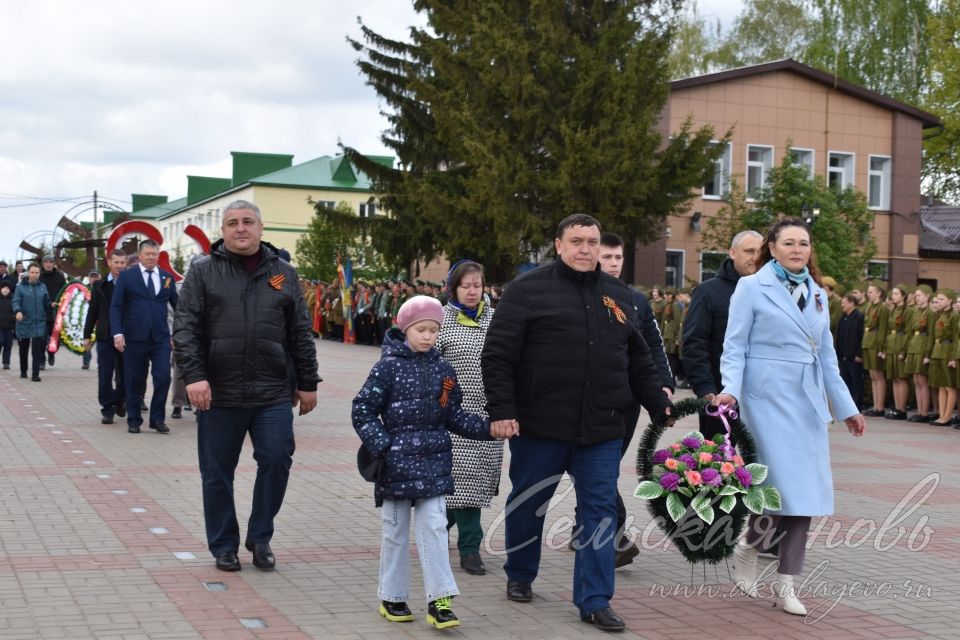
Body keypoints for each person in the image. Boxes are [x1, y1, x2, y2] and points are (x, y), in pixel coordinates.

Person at [481, 214, 672, 633]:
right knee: (530, 502)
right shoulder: (526, 291)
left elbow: (638, 358)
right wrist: (502, 410)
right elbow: (497, 355)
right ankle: (520, 572)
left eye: (592, 241)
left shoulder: (618, 295)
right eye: (577, 241)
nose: (586, 249)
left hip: (602, 427)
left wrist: (658, 401)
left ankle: (594, 600)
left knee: (600, 511)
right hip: (540, 425)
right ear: (559, 245)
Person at [714, 217, 865, 616]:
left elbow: (828, 357)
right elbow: (734, 346)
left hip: (807, 401)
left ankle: (787, 583)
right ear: (773, 247)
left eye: (804, 243)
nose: (798, 249)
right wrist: (730, 388)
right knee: (777, 486)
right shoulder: (751, 286)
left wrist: (847, 408)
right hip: (764, 396)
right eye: (790, 243)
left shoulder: (818, 294)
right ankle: (751, 545)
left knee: (808, 494)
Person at [174, 199, 319, 573]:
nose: (241, 228)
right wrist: (194, 376)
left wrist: (307, 382)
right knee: (217, 471)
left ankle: (261, 536)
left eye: (248, 222)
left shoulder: (284, 273)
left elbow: (300, 332)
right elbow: (185, 327)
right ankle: (224, 545)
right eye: (233, 223)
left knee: (276, 460)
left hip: (271, 391)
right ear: (222, 231)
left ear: (260, 228)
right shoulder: (202, 271)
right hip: (217, 392)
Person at [353, 295, 497, 629]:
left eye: (433, 329)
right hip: (395, 468)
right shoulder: (387, 367)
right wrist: (383, 445)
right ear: (406, 329)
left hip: (434, 467)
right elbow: (362, 409)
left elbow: (454, 415)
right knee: (395, 532)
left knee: (434, 528)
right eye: (421, 329)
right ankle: (392, 596)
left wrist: (488, 428)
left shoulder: (444, 371)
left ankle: (440, 600)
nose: (428, 335)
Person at [597, 232, 674, 568]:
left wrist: (665, 385)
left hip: (626, 398)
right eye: (606, 258)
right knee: (595, 467)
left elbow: (654, 346)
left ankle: (589, 530)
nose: (613, 264)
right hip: (584, 398)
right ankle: (614, 536)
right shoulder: (581, 294)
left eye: (618, 258)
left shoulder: (636, 300)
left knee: (606, 465)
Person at [435, 260, 502, 576]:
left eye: (477, 285)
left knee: (472, 485)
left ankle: (442, 535)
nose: (473, 291)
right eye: (466, 285)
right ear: (453, 288)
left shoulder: (497, 320)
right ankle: (468, 548)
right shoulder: (442, 321)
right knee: (458, 484)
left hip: (488, 417)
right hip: (451, 418)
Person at [682, 229, 763, 439]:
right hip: (720, 396)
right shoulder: (708, 292)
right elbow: (694, 344)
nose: (755, 257)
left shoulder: (771, 292)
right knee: (719, 464)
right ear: (733, 253)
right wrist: (705, 389)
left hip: (762, 398)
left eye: (760, 251)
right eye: (749, 251)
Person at [110, 239, 178, 434]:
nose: (151, 258)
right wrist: (117, 332)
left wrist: (179, 332)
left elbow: (178, 306)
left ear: (159, 256)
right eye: (147, 254)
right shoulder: (127, 277)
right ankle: (134, 419)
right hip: (134, 337)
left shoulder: (167, 278)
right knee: (134, 380)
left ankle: (157, 419)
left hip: (160, 339)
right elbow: (116, 306)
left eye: (154, 254)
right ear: (139, 255)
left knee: (163, 378)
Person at [83, 250, 128, 424]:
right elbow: (92, 312)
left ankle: (119, 400)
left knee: (125, 374)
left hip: (126, 336)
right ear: (109, 262)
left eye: (122, 262)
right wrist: (87, 335)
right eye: (116, 262)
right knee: (105, 373)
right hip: (105, 336)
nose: (119, 266)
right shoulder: (99, 286)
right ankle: (107, 408)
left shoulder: (130, 284)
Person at [12, 263, 51, 381]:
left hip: (39, 322)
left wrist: (52, 305)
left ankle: (35, 374)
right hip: (24, 321)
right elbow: (15, 301)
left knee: (37, 349)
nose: (34, 275)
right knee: (23, 348)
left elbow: (46, 302)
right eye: (32, 272)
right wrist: (18, 311)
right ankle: (23, 370)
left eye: (37, 273)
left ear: (40, 274)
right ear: (28, 273)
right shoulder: (20, 287)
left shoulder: (43, 287)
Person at [928, 289, 956, 426]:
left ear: (950, 300)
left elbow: (955, 338)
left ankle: (947, 416)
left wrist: (952, 357)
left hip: (947, 350)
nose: (938, 302)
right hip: (937, 350)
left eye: (941, 299)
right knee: (940, 385)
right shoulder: (939, 315)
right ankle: (941, 415)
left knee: (949, 386)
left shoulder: (953, 316)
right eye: (937, 299)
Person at [861, 283, 889, 417]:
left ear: (879, 293)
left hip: (876, 343)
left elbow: (883, 329)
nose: (868, 294)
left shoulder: (882, 308)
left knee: (878, 375)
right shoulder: (869, 307)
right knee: (872, 376)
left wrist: (881, 347)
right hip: (868, 341)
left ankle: (880, 406)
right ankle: (875, 405)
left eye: (871, 291)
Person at [835, 293, 865, 410]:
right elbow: (839, 336)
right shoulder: (843, 317)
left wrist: (859, 353)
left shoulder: (859, 316)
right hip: (843, 356)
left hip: (854, 356)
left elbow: (861, 336)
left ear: (852, 303)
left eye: (844, 302)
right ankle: (847, 405)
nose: (842, 304)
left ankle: (857, 406)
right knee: (845, 381)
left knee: (856, 382)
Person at [38, 255, 67, 368]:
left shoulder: (60, 277)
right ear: (43, 264)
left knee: (56, 338)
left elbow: (65, 292)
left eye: (50, 262)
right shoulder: (39, 276)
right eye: (46, 262)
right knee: (40, 338)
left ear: (53, 263)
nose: (48, 264)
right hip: (42, 311)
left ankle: (51, 353)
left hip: (56, 312)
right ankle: (41, 360)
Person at [0, 282, 14, 369]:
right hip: (0, 327)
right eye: (3, 288)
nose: (5, 290)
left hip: (9, 327)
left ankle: (6, 362)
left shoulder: (13, 300)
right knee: (0, 342)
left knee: (8, 345)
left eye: (7, 288)